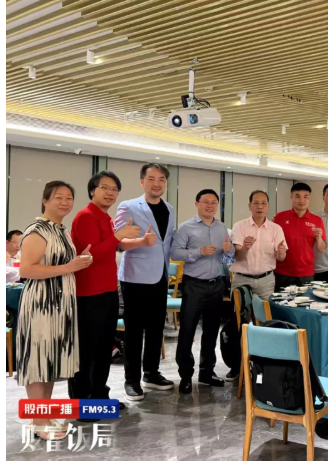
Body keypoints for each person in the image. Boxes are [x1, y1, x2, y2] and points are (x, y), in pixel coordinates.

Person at [17, 181, 93, 440]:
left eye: (69, 198)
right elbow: (26, 269)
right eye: (58, 197)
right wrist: (70, 267)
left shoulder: (59, 229)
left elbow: (60, 263)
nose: (64, 202)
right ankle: (39, 422)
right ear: (45, 200)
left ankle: (44, 415)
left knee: (48, 361)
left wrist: (79, 261)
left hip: (58, 304)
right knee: (37, 361)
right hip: (41, 303)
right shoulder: (38, 230)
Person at [69, 171, 139, 411]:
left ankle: (99, 396)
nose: (110, 193)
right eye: (104, 187)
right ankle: (82, 403)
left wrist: (123, 238)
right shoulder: (85, 217)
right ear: (92, 190)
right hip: (88, 293)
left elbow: (109, 249)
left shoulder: (106, 218)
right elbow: (90, 255)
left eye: (114, 189)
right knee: (87, 351)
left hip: (108, 291)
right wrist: (118, 236)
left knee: (103, 349)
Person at [114, 163, 176, 401]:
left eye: (161, 179)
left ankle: (151, 373)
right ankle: (131, 380)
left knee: (156, 328)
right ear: (142, 182)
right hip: (135, 278)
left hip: (161, 277)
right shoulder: (128, 206)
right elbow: (118, 242)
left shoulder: (169, 208)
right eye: (151, 179)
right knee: (133, 331)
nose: (156, 183)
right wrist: (141, 241)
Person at [171, 189, 234, 394]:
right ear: (197, 203)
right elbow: (175, 253)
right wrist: (198, 252)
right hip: (193, 285)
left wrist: (229, 250)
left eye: (214, 202)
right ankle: (185, 375)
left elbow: (229, 258)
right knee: (187, 331)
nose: (210, 205)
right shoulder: (186, 227)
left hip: (216, 285)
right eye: (206, 202)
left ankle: (207, 372)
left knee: (211, 331)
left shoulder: (222, 227)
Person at [232, 190, 288, 301]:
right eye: (256, 203)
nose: (260, 207)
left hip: (266, 281)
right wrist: (245, 248)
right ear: (249, 206)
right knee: (239, 311)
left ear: (268, 206)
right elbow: (238, 256)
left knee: (265, 311)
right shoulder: (239, 226)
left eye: (263, 203)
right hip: (242, 279)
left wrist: (281, 252)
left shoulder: (276, 228)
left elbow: (281, 258)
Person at [273, 183, 326, 291]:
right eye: (297, 196)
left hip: (306, 273)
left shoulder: (317, 220)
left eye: (305, 197)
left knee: (305, 301)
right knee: (281, 301)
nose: (302, 200)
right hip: (282, 272)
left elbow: (322, 249)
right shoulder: (279, 217)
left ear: (309, 198)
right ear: (291, 197)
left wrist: (319, 238)